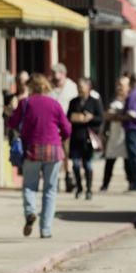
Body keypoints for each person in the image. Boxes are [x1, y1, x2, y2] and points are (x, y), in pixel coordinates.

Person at [7, 73, 71, 239]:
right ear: (46, 87)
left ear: (31, 87)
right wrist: (60, 138)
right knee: (50, 190)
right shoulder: (55, 104)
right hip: (54, 151)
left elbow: (12, 123)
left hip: (32, 150)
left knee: (29, 185)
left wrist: (10, 112)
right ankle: (46, 230)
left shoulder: (25, 103)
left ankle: (30, 212)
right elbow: (67, 129)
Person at [67, 77, 104, 200]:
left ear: (88, 88)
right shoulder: (74, 102)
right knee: (76, 165)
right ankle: (79, 187)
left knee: (87, 165)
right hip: (76, 136)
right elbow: (68, 117)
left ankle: (89, 189)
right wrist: (75, 117)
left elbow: (101, 118)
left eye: (82, 87)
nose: (80, 89)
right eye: (78, 87)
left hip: (88, 139)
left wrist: (91, 118)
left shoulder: (94, 101)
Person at [48, 62, 78, 193]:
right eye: (53, 75)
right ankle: (57, 179)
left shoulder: (71, 87)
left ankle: (68, 177)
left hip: (67, 124)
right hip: (53, 126)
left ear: (63, 74)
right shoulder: (50, 87)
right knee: (56, 154)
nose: (55, 78)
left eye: (57, 75)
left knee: (67, 153)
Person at [100, 76, 130, 191]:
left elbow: (129, 117)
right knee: (109, 162)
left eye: (121, 86)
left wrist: (116, 116)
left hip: (125, 136)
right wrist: (117, 116)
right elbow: (106, 115)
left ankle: (131, 182)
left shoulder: (129, 101)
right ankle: (105, 184)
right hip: (113, 136)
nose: (119, 88)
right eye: (118, 85)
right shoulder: (113, 100)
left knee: (128, 163)